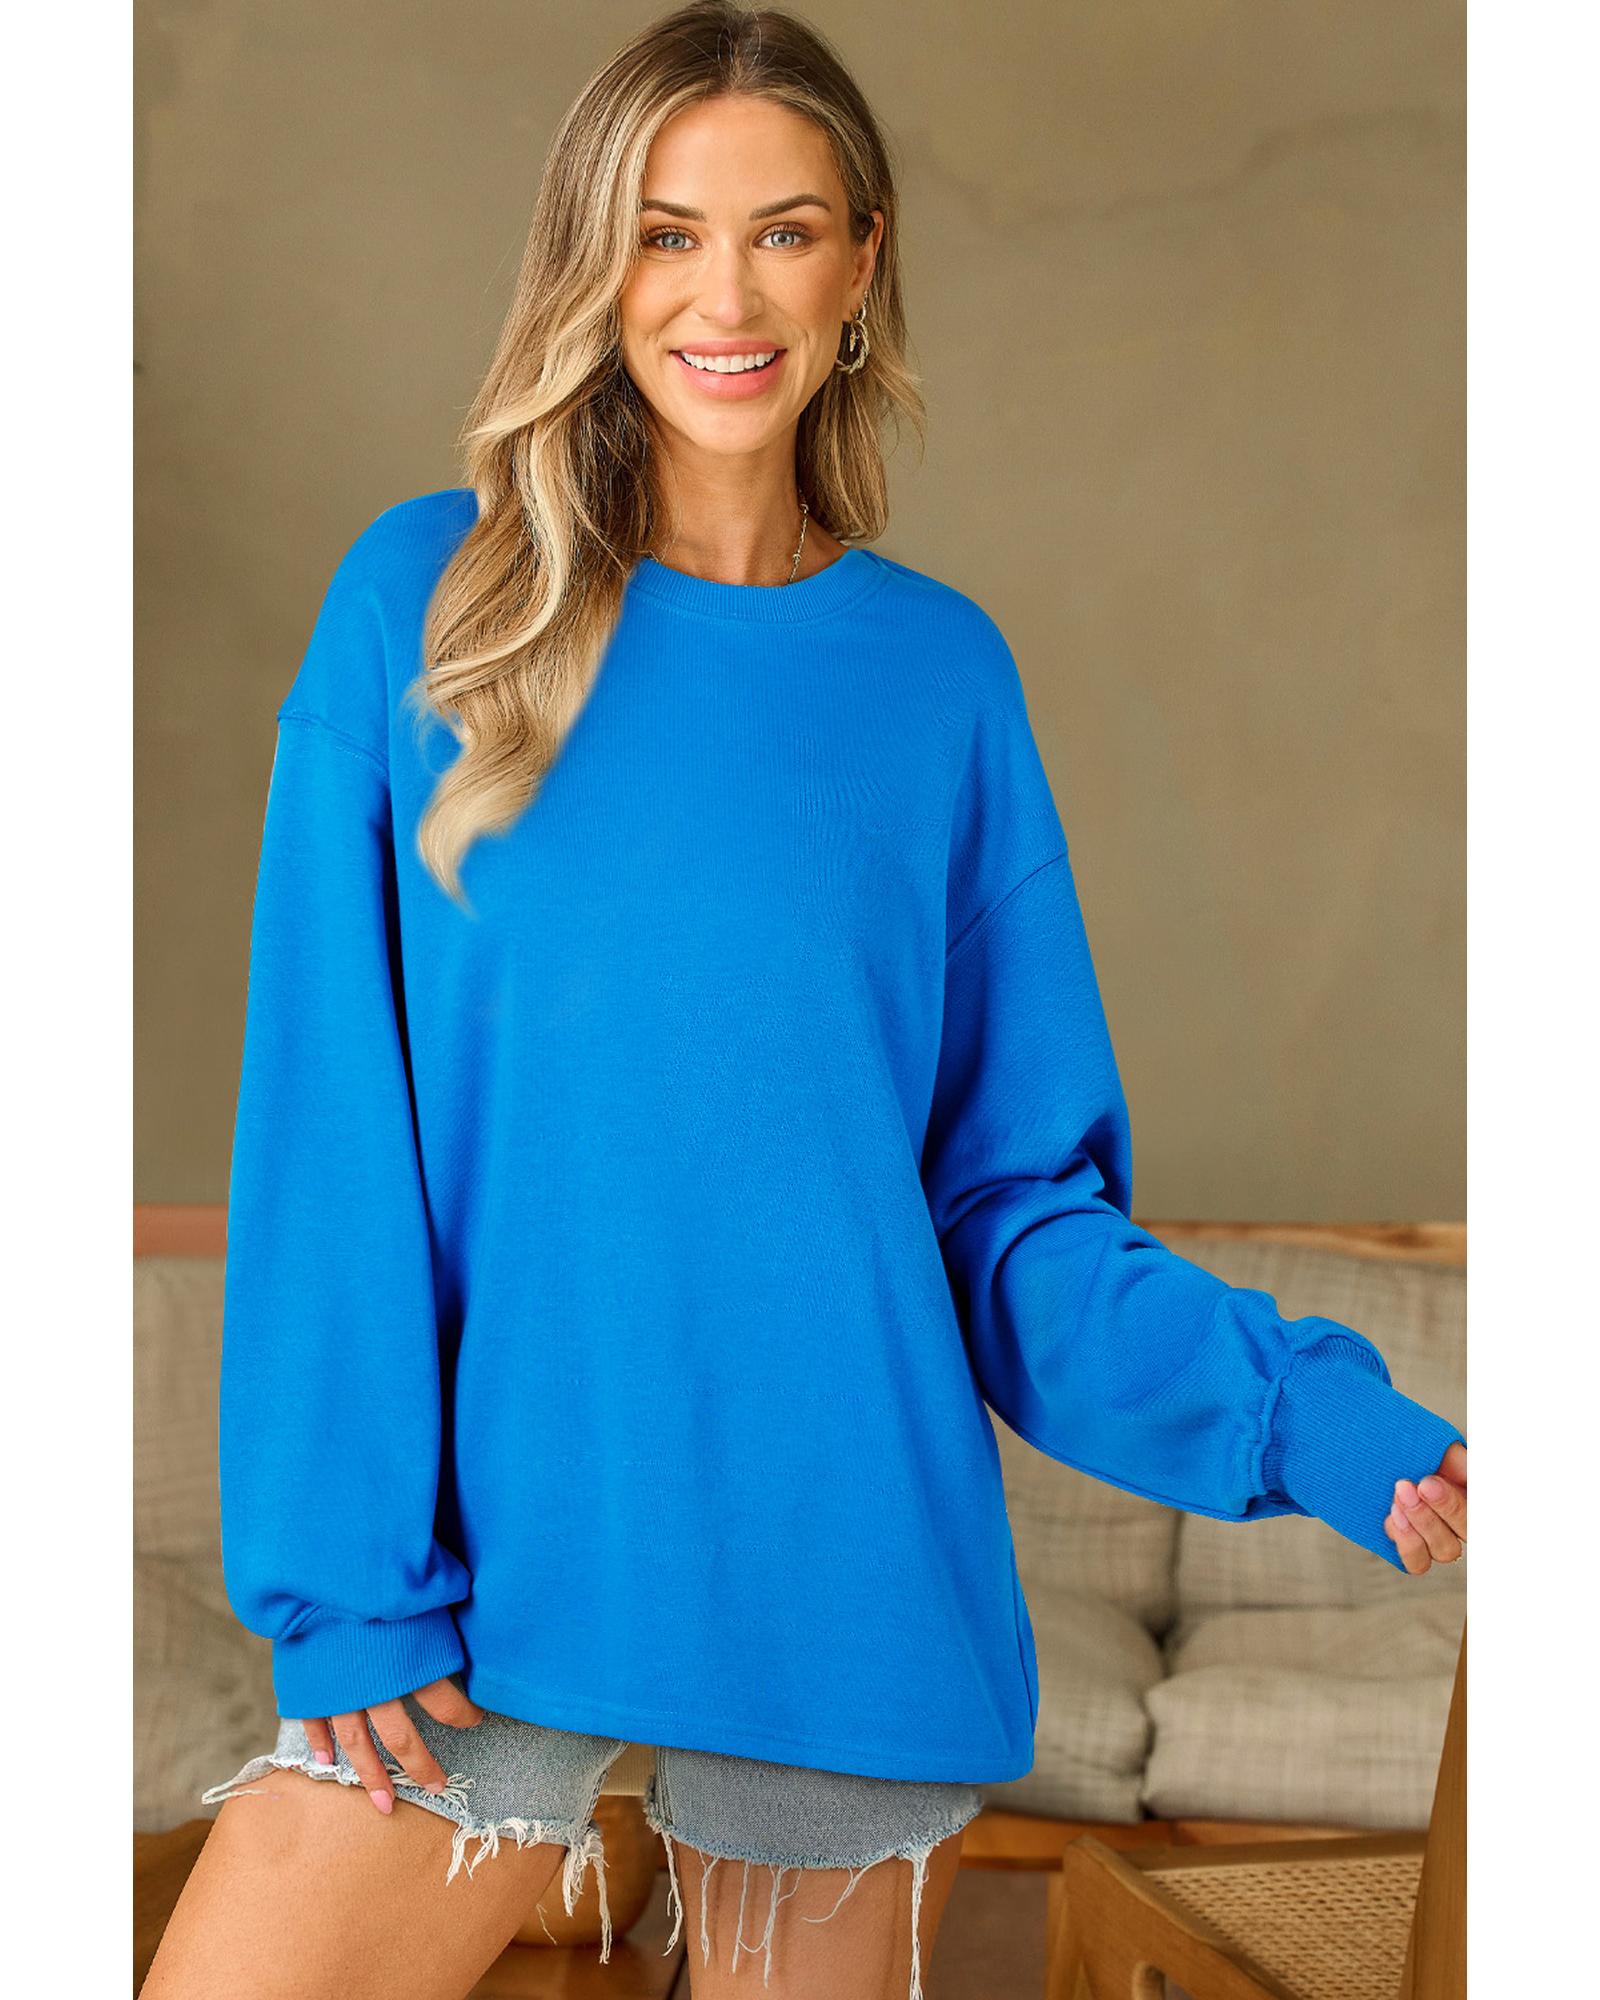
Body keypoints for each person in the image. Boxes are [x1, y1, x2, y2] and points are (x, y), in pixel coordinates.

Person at [144, 6, 1467, 1997]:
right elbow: (331, 1141)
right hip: (486, 1583)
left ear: (860, 265)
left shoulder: (939, 680)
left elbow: (1007, 1211)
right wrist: (345, 1584)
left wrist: (1313, 1419)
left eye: (782, 231)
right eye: (664, 234)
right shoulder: (426, 607)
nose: (725, 294)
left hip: (841, 1573)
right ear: (593, 267)